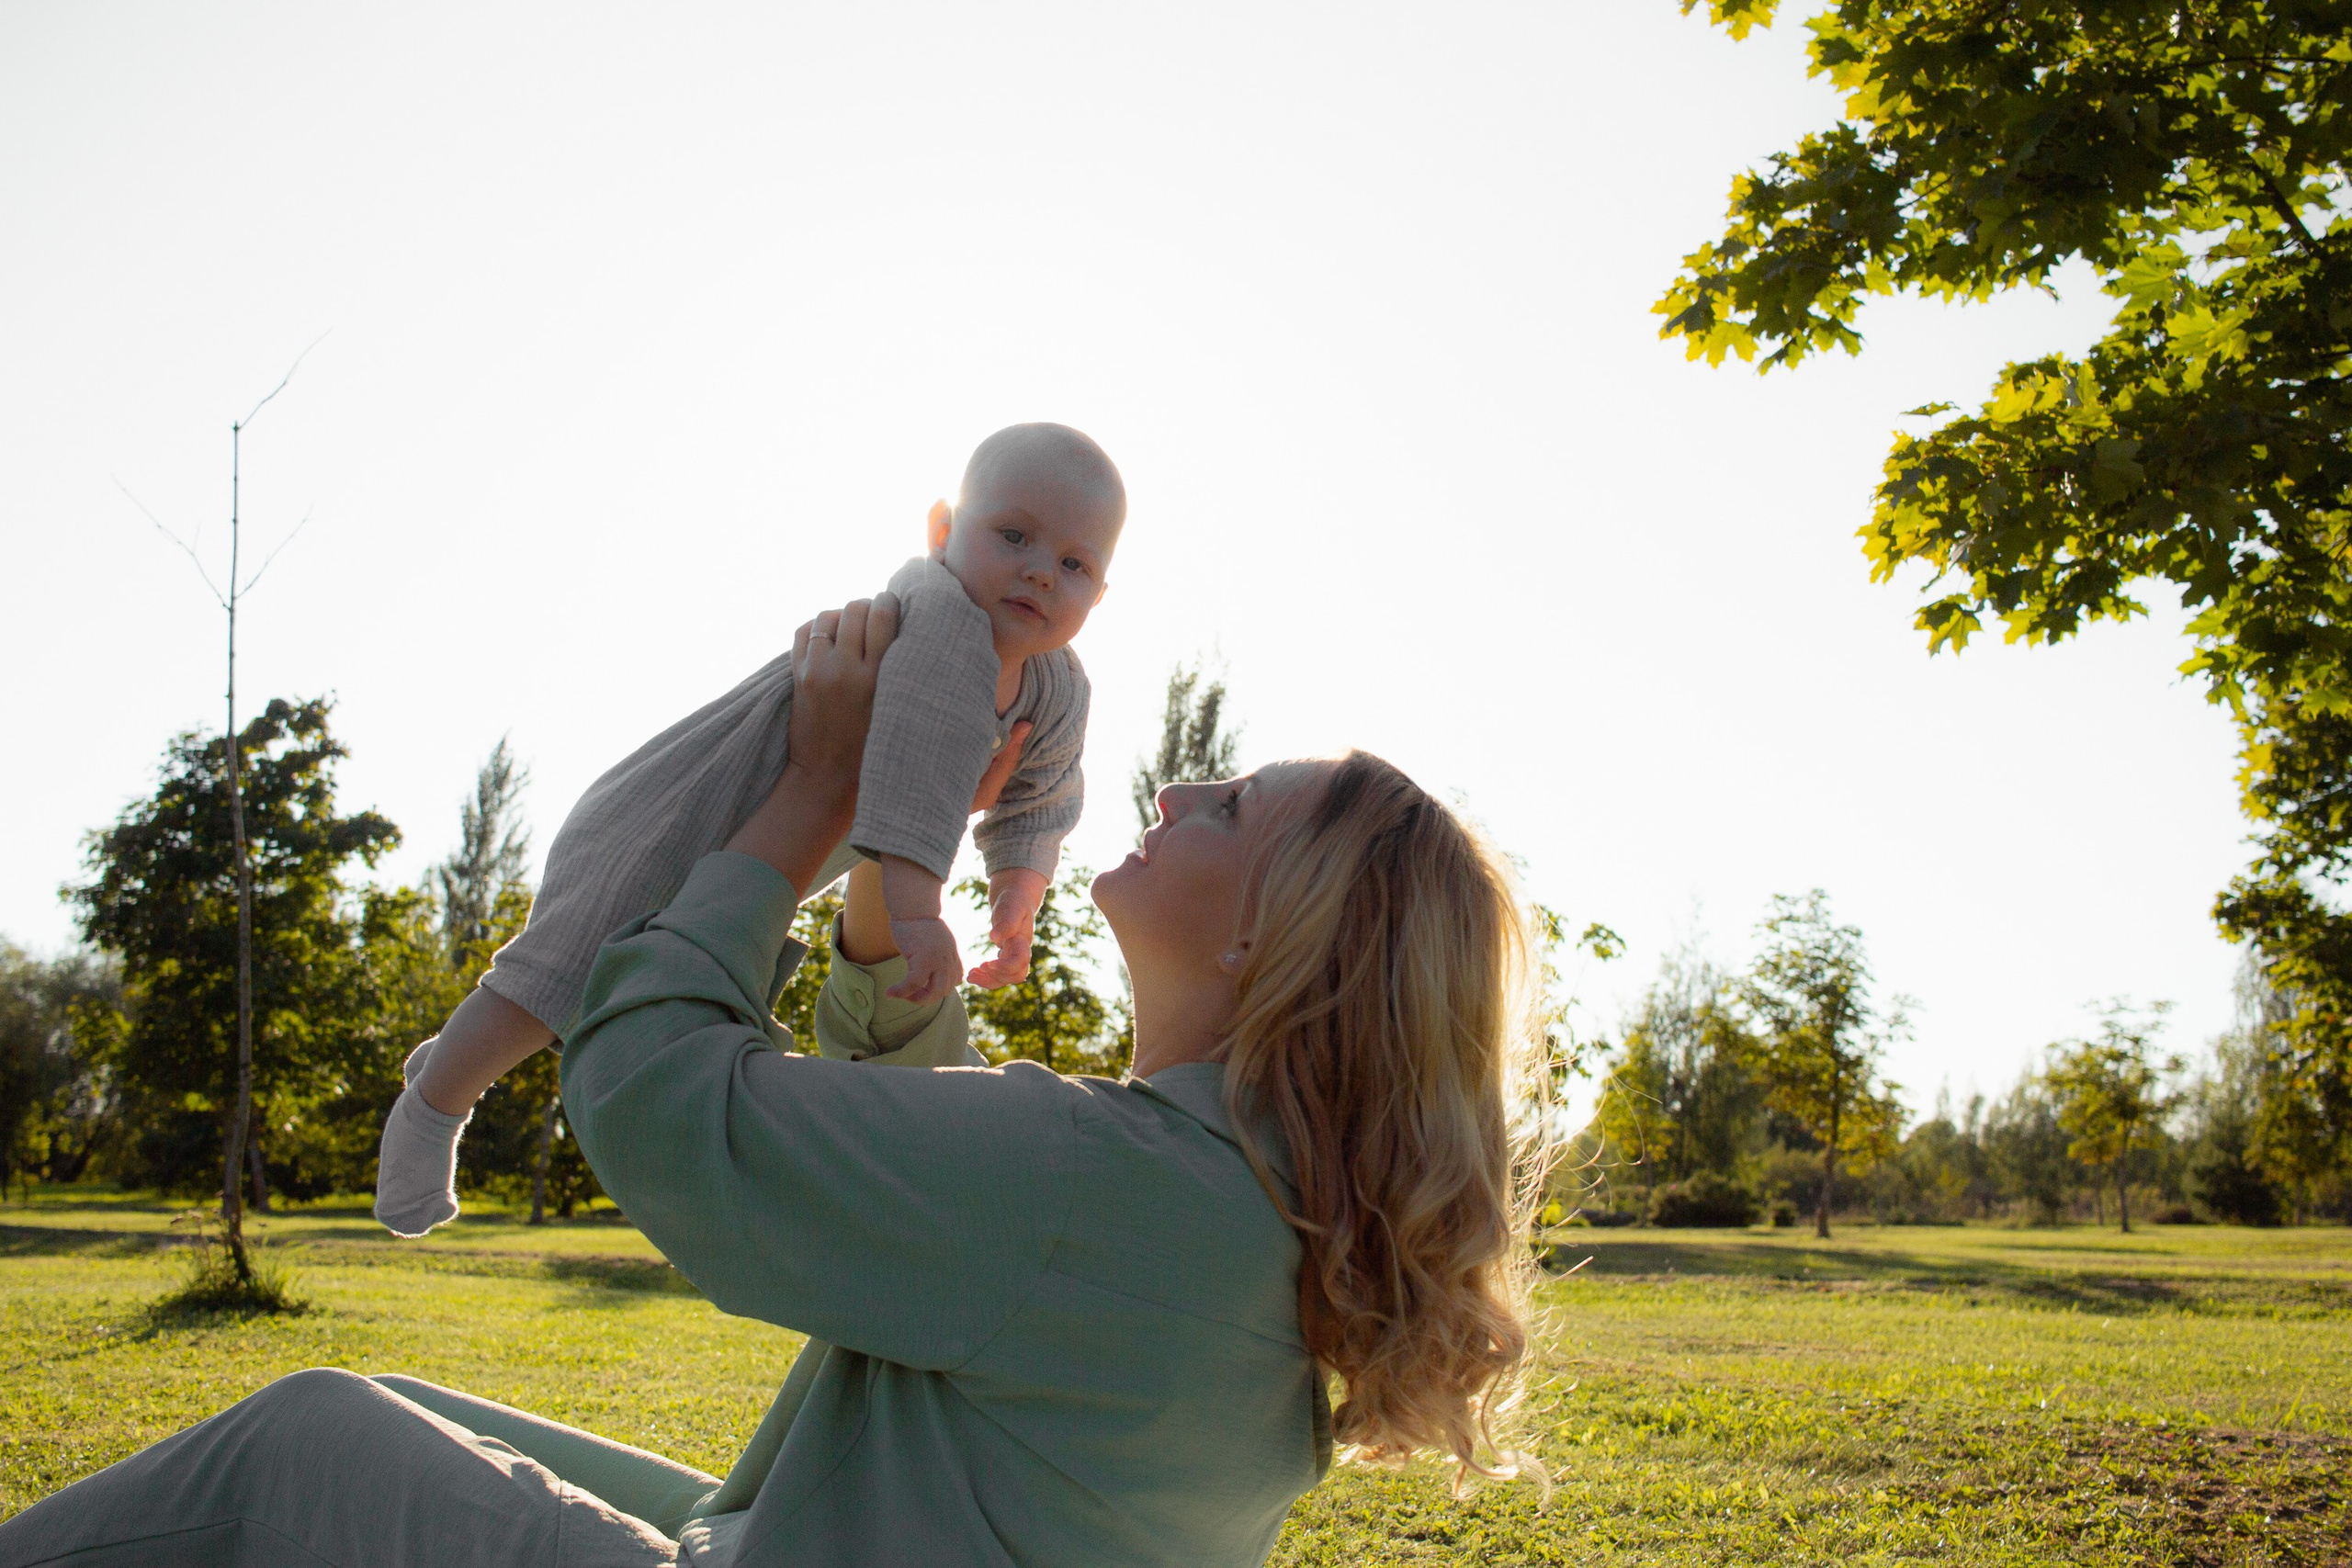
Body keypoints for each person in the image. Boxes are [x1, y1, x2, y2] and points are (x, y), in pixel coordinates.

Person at [0, 596, 1546, 1567]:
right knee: (397, 1409)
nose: (1173, 784)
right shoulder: (1238, 1204)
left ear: (1291, 928)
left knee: (306, 1441)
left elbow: (665, 1101)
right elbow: (950, 1187)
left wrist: (809, 801)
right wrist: (899, 897)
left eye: (1227, 806)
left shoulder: (1097, 1181)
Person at [374, 423, 1123, 1236]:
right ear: (943, 531)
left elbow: (1041, 791)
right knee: (561, 973)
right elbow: (914, 771)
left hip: (777, 842)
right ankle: (433, 1107)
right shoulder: (940, 622)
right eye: (1012, 535)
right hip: (679, 808)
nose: (1041, 570)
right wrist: (917, 913)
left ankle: (455, 1056)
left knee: (626, 987)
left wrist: (1018, 892)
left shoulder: (1058, 686)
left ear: (1101, 591)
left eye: (1074, 563)